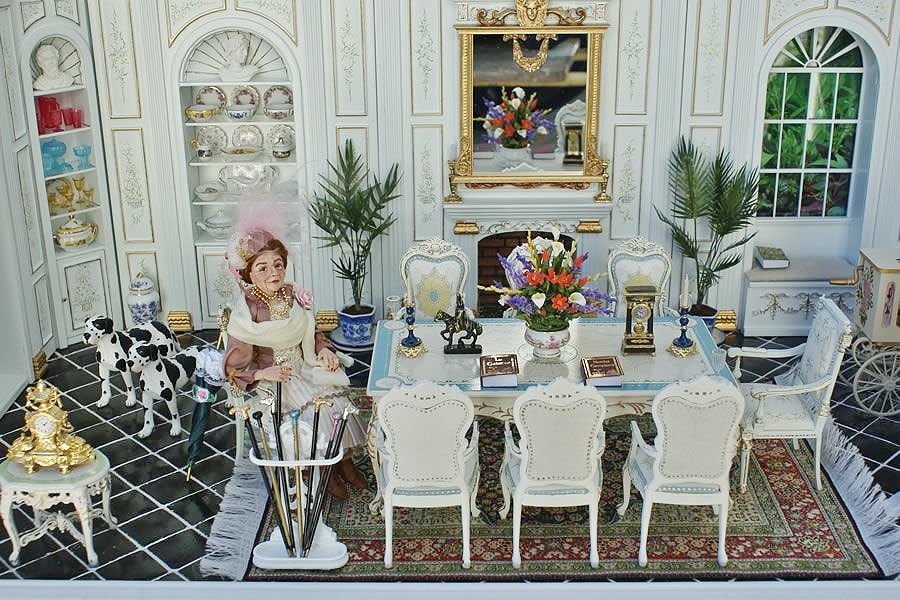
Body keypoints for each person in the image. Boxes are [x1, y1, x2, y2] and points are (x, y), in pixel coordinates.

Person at [223, 226, 367, 499]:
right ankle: (320, 469)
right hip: (277, 377)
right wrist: (263, 372)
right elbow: (233, 367)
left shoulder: (290, 295)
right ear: (249, 274)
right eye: (263, 268)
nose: (273, 273)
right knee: (315, 414)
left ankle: (343, 461)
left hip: (304, 364)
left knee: (339, 403)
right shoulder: (249, 311)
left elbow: (310, 331)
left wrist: (323, 349)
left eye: (278, 265)